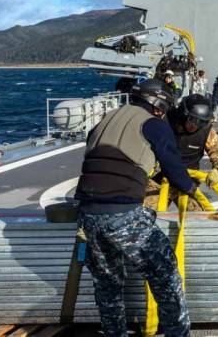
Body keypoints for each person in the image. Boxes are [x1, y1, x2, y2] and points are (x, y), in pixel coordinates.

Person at [74, 79, 196, 337]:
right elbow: (173, 165)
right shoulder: (154, 124)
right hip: (123, 215)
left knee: (107, 283)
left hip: (87, 216)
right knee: (165, 273)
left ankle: (115, 333)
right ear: (159, 104)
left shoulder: (105, 120)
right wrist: (191, 188)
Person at [145, 94, 218, 211]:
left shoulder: (206, 132)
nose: (195, 125)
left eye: (201, 122)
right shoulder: (164, 122)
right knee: (147, 216)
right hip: (158, 181)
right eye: (193, 120)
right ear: (184, 114)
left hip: (188, 182)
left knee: (197, 218)